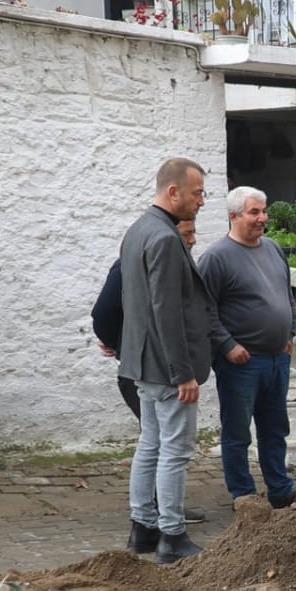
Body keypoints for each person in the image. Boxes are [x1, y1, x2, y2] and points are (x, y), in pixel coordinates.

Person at [119, 158, 213, 564]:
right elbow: (166, 311)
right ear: (173, 192)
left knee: (150, 444)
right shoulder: (164, 238)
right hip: (166, 368)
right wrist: (183, 374)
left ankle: (142, 529)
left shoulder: (137, 230)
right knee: (174, 451)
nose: (202, 201)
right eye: (197, 193)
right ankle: (172, 537)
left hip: (141, 362)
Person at [93, 219, 205, 525]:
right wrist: (119, 345)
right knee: (169, 447)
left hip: (148, 365)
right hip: (156, 368)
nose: (192, 240)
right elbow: (104, 313)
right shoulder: (150, 255)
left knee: (154, 442)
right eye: (187, 234)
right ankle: (169, 524)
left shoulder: (150, 250)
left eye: (194, 233)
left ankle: (146, 520)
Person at [198, 186, 296, 508]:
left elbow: (287, 294)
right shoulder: (216, 257)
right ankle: (243, 495)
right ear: (234, 216)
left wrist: (290, 332)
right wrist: (227, 346)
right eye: (254, 212)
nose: (263, 218)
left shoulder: (272, 248)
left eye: (263, 211)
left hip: (277, 359)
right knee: (238, 433)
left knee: (275, 429)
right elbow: (204, 309)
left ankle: (280, 489)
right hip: (242, 363)